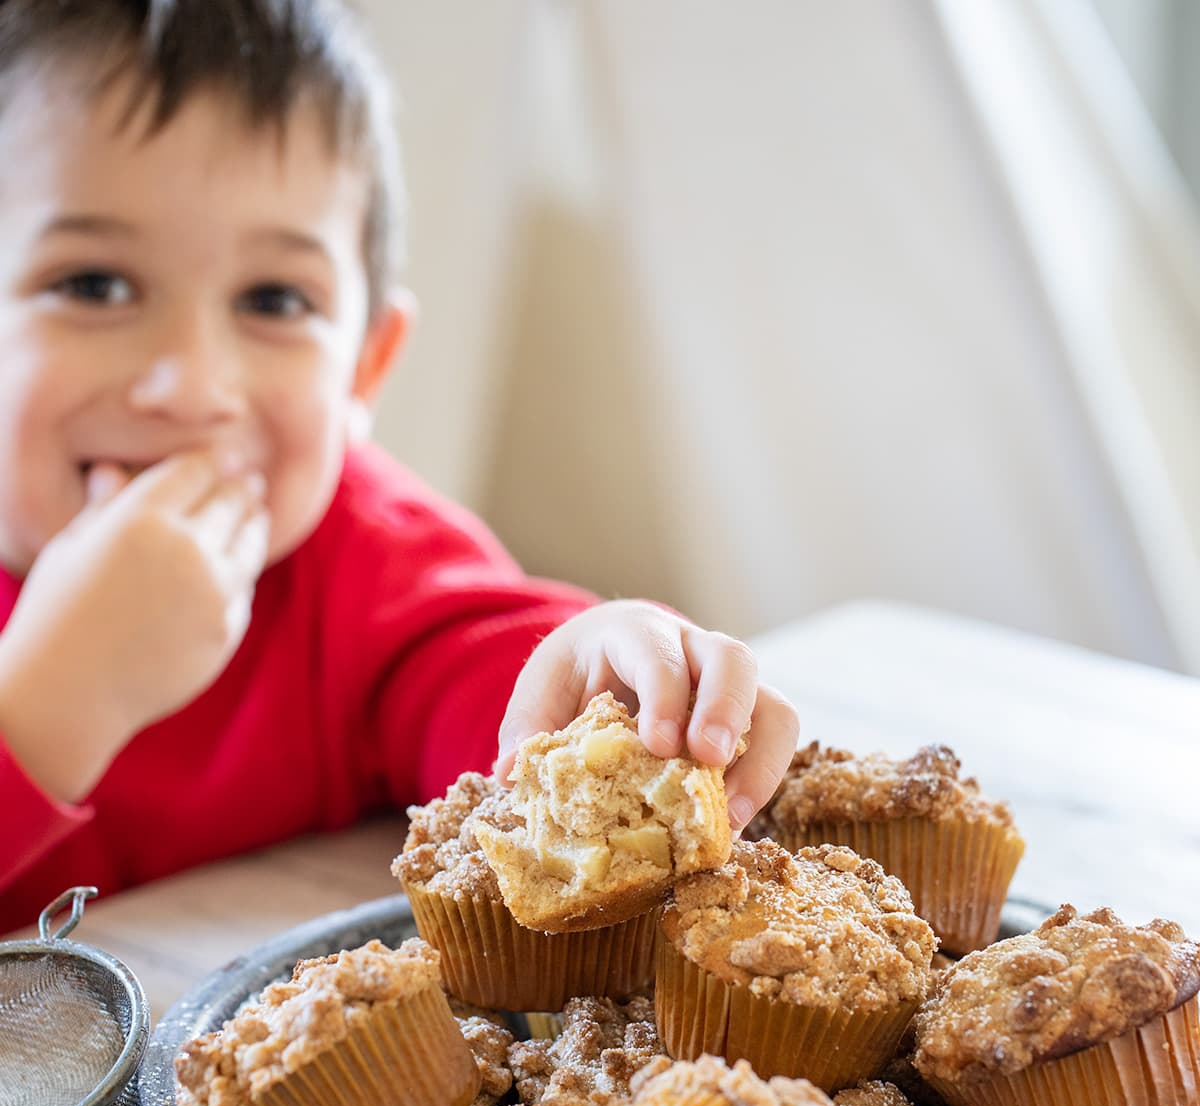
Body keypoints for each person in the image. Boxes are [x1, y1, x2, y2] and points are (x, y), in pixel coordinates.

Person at [0, 0, 798, 935]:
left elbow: (510, 685)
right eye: (93, 285)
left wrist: (615, 675)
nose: (191, 385)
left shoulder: (362, 558)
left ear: (365, 368)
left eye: (273, 299)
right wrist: (46, 708)